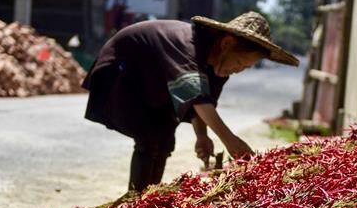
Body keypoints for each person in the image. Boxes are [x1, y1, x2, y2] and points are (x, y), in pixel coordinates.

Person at [82, 11, 299, 192]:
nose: (239, 70)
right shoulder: (189, 44)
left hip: (156, 83)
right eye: (240, 62)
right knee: (150, 137)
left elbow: (203, 102)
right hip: (124, 72)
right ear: (226, 43)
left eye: (246, 67)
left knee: (165, 139)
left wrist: (201, 136)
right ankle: (137, 198)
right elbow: (196, 96)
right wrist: (231, 141)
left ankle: (147, 197)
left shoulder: (217, 66)